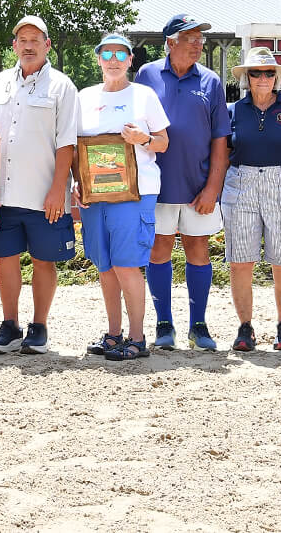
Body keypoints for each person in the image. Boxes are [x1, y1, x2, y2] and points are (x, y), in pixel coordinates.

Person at [0, 16, 80, 356]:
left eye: (34, 40)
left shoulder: (62, 87)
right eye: (21, 40)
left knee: (44, 260)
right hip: (3, 193)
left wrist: (59, 188)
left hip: (44, 194)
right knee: (5, 258)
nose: (27, 45)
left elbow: (66, 141)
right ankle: (10, 325)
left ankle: (39, 326)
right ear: (14, 46)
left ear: (47, 45)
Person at [135, 14, 230, 351]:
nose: (198, 44)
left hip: (198, 188)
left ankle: (198, 326)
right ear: (170, 43)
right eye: (190, 38)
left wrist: (212, 189)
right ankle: (164, 324)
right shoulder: (146, 76)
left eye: (199, 38)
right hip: (156, 186)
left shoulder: (211, 81)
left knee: (198, 250)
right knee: (158, 251)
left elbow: (221, 140)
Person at [72, 33, 169, 361]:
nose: (113, 60)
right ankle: (113, 334)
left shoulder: (144, 96)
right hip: (95, 195)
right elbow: (76, 149)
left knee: (127, 265)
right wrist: (78, 182)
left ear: (130, 60)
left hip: (135, 192)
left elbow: (164, 142)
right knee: (105, 266)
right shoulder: (83, 97)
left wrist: (144, 138)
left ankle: (137, 338)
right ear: (98, 58)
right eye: (107, 53)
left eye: (121, 54)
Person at [222, 47, 281, 353]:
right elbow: (222, 156)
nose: (263, 78)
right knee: (240, 262)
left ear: (276, 77)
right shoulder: (234, 110)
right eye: (256, 73)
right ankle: (245, 328)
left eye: (268, 73)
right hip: (241, 183)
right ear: (247, 77)